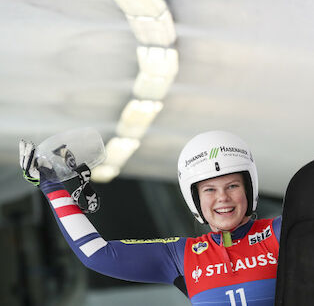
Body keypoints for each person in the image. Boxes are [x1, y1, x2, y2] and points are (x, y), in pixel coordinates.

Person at [19, 130, 281, 306]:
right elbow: (96, 254)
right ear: (195, 199)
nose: (222, 197)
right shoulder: (182, 255)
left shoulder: (283, 233)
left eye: (232, 186)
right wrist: (51, 186)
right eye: (209, 190)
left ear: (249, 189)